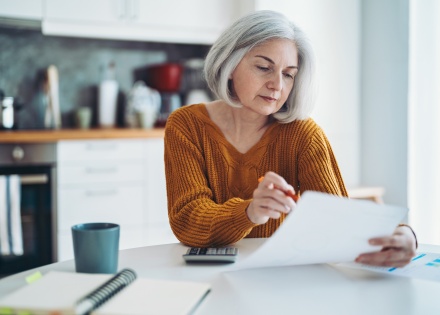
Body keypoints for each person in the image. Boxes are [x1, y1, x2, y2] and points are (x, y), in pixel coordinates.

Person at [164, 10, 417, 267]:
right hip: (208, 276)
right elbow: (187, 221)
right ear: (229, 65)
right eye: (264, 68)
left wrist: (403, 233)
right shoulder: (187, 125)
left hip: (282, 276)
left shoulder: (304, 135)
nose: (277, 85)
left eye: (288, 74)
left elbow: (339, 222)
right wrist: (250, 211)